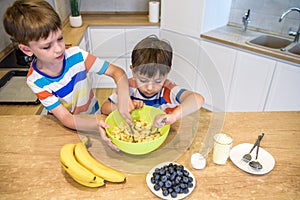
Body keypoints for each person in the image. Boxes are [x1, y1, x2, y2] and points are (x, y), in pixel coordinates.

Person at [3, 0, 133, 151]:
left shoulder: (77, 56)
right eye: (47, 46)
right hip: (69, 128)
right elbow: (66, 118)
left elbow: (117, 72)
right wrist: (95, 125)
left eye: (60, 38)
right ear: (27, 49)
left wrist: (123, 98)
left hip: (94, 116)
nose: (59, 49)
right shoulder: (36, 81)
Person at [101, 35, 204, 128]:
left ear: (166, 74)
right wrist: (123, 106)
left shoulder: (168, 89)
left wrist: (173, 116)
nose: (150, 87)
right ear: (133, 71)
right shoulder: (128, 87)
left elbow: (197, 99)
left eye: (158, 81)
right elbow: (104, 108)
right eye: (143, 80)